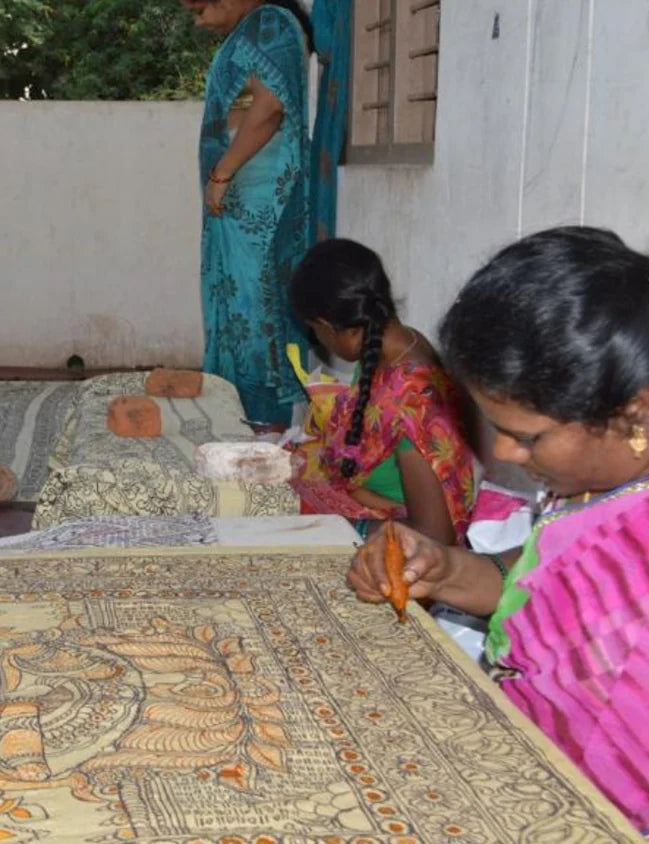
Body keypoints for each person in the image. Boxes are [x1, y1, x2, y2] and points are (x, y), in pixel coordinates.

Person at [348, 227, 649, 842]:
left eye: (527, 437)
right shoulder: (621, 469)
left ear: (633, 414)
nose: (505, 453)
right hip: (526, 778)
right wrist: (445, 569)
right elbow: (551, 590)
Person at [287, 239, 476, 545]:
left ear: (326, 325)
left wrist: (345, 527)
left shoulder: (412, 398)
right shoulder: (394, 346)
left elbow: (434, 535)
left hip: (403, 535)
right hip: (367, 503)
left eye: (314, 329)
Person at [186, 0, 315, 426]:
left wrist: (222, 172)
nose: (199, 21)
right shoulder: (257, 28)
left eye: (200, 8)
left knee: (256, 316)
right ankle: (246, 424)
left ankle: (263, 430)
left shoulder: (269, 23)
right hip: (243, 206)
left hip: (259, 206)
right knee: (240, 315)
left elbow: (270, 104)